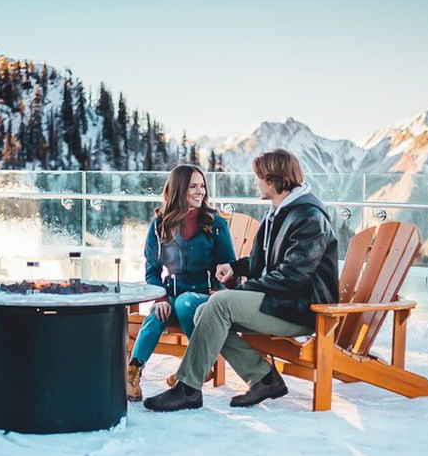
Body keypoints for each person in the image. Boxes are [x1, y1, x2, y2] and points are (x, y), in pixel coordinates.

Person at [144, 149, 339, 412]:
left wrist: (242, 289)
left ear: (274, 179)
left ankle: (188, 388)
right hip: (279, 301)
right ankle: (263, 378)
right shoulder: (278, 212)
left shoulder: (309, 217)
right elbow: (262, 263)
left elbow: (292, 276)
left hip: (300, 308)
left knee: (218, 305)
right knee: (207, 310)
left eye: (258, 177)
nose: (254, 182)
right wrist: (234, 267)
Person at [128, 164, 236, 401]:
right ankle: (132, 373)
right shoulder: (160, 225)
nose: (201, 192)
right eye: (193, 187)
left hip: (205, 298)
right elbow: (153, 269)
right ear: (178, 190)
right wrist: (160, 298)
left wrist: (223, 275)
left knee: (186, 302)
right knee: (157, 315)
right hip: (173, 295)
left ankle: (197, 364)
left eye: (202, 186)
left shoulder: (215, 223)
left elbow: (229, 263)